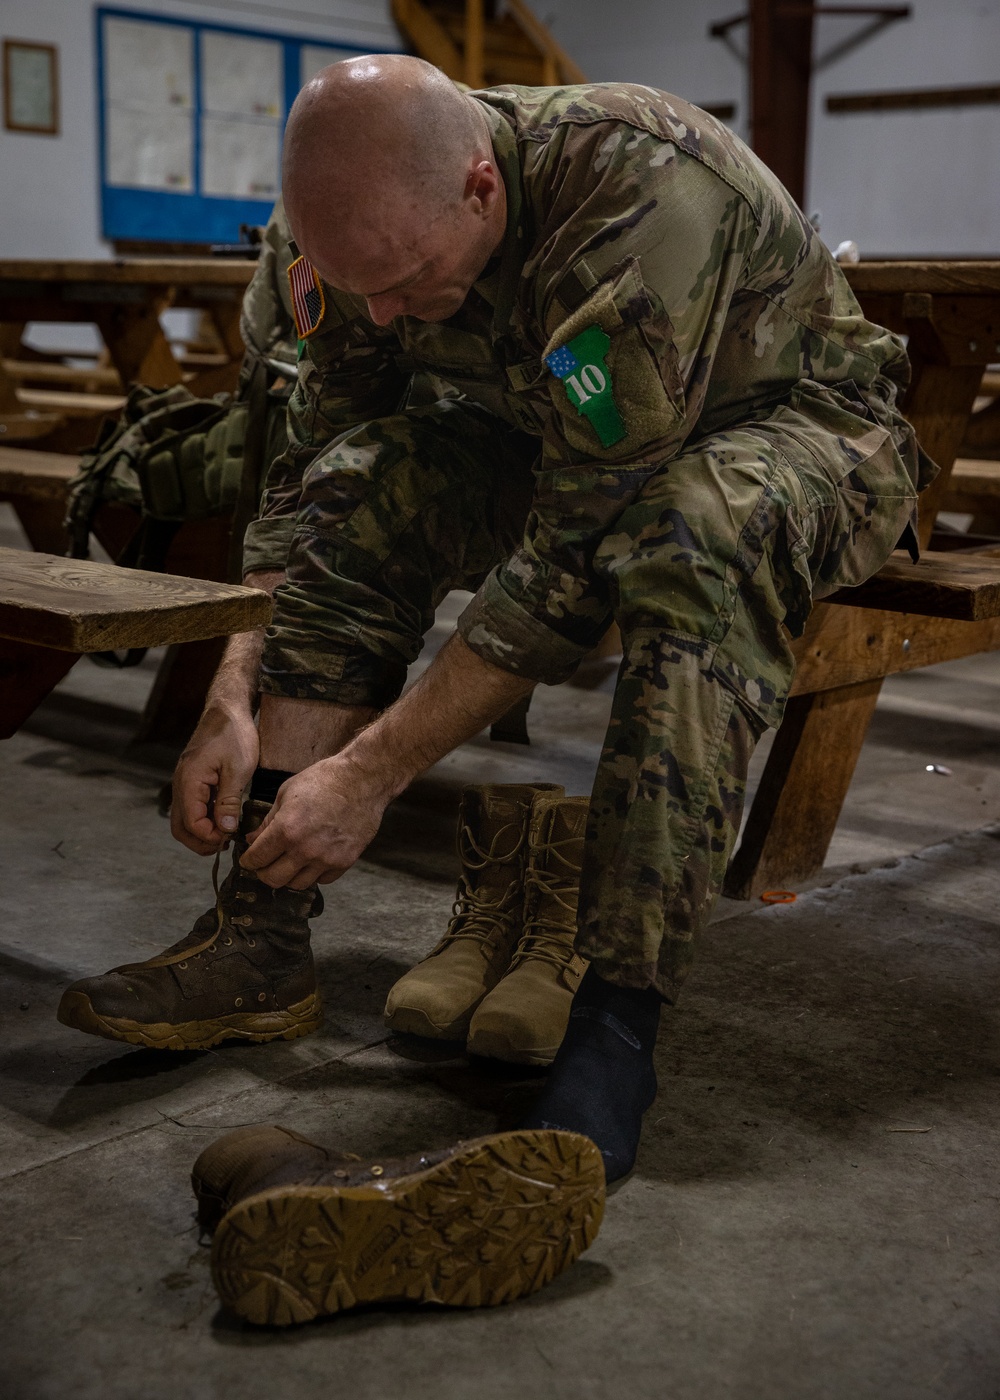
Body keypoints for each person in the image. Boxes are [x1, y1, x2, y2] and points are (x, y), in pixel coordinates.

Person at [59, 56, 928, 1200]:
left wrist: (371, 772)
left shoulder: (633, 189)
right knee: (370, 479)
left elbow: (578, 551)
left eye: (405, 283)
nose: (376, 314)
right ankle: (259, 934)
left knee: (692, 538)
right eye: (351, 284)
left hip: (796, 429)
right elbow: (319, 454)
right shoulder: (362, 231)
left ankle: (618, 1016)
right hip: (563, 427)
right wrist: (231, 682)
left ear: (480, 186)